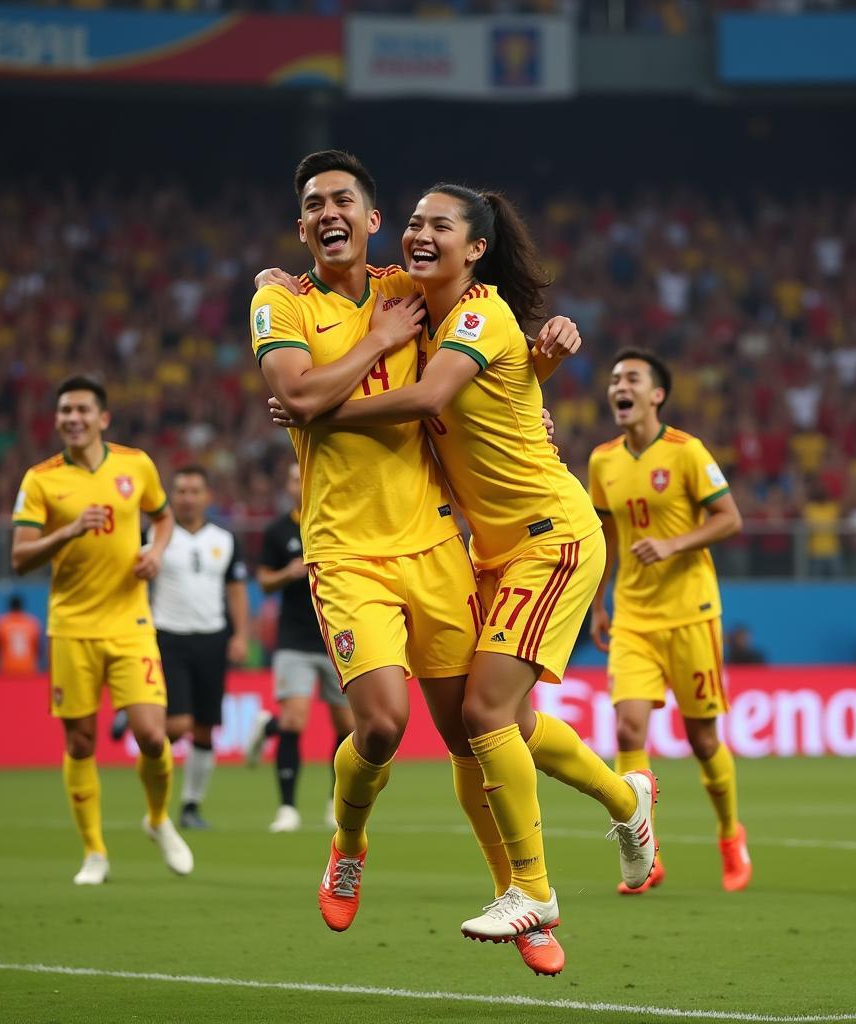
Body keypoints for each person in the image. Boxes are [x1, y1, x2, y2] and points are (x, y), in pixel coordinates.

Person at [253, 151, 644, 977]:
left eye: (345, 201)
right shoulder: (280, 298)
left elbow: (460, 376)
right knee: (383, 725)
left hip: (440, 545)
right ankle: (349, 843)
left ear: (369, 219)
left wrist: (540, 353)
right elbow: (297, 388)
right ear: (302, 228)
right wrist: (379, 346)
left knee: (476, 732)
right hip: (347, 549)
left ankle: (525, 897)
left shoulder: (413, 290)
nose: (330, 212)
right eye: (314, 204)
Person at [11, 374, 193, 885]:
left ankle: (158, 820)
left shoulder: (136, 465)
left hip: (131, 622)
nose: (73, 418)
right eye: (65, 410)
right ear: (57, 419)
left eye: (82, 410)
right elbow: (19, 557)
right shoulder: (41, 479)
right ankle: (94, 851)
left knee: (152, 736)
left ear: (102, 418)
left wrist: (155, 553)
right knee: (81, 743)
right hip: (71, 626)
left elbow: (163, 516)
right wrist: (67, 530)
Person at [587, 349, 751, 894]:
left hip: (691, 612)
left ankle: (730, 834)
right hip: (633, 615)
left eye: (631, 378)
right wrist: (598, 601)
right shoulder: (603, 460)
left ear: (656, 395)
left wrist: (676, 543)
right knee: (629, 727)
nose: (619, 387)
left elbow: (729, 518)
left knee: (703, 740)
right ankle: (645, 852)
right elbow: (608, 537)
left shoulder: (686, 452)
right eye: (614, 380)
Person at [247, 460, 354, 834]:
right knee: (296, 720)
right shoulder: (278, 531)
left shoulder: (338, 521)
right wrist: (286, 574)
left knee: (348, 726)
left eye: (303, 476)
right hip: (294, 639)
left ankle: (334, 801)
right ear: (289, 486)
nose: (300, 484)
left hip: (336, 637)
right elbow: (262, 581)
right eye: (293, 479)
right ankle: (288, 808)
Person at [150, 464, 250, 830]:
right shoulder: (156, 535)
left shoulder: (223, 540)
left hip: (212, 638)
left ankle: (191, 805)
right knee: (177, 725)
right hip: (169, 636)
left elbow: (236, 590)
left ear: (207, 496)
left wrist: (240, 635)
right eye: (181, 491)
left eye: (194, 491)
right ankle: (155, 798)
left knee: (205, 729)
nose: (187, 498)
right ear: (171, 496)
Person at [0, 594, 42, 676]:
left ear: (9, 607)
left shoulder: (1, 623)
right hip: (28, 669)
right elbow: (39, 649)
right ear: (22, 607)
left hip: (6, 669)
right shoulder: (32, 623)